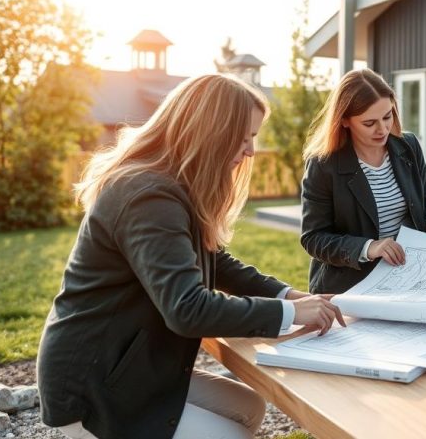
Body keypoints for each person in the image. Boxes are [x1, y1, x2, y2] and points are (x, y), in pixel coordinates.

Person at [37, 74, 345, 439]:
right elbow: (188, 309)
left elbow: (217, 262)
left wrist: (289, 296)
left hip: (134, 363)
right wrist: (290, 314)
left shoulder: (172, 185)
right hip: (98, 381)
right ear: (211, 130)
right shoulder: (148, 196)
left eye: (254, 138)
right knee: (231, 435)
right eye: (243, 136)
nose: (250, 150)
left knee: (249, 408)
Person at [301, 69, 426, 294]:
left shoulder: (408, 145)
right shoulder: (323, 164)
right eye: (369, 123)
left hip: (407, 276)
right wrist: (369, 247)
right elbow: (313, 238)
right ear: (345, 121)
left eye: (387, 116)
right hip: (349, 287)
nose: (382, 129)